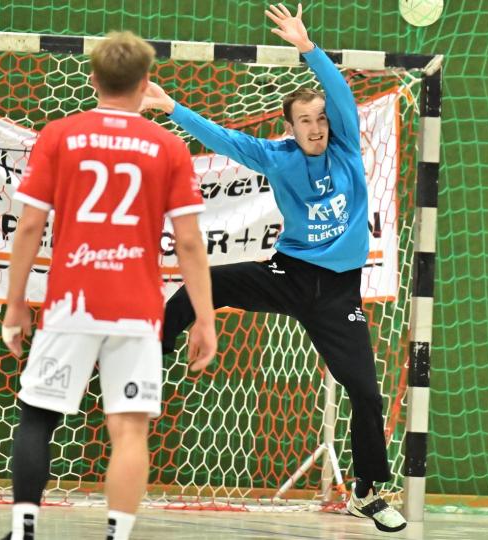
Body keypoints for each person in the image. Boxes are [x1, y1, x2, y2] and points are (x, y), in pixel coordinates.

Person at [139, 3, 406, 533]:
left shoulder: (347, 147)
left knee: (366, 392)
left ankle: (369, 492)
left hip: (337, 295)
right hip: (288, 276)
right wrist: (172, 107)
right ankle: (149, 359)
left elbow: (341, 96)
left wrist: (308, 47)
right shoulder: (278, 156)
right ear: (290, 127)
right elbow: (224, 139)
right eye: (304, 120)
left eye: (320, 118)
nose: (315, 127)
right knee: (203, 284)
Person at [0, 31, 217, 540]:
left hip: (72, 302)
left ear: (94, 79)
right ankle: (117, 536)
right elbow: (189, 242)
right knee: (130, 428)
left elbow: (29, 227)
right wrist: (204, 317)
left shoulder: (59, 135)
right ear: (145, 83)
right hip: (137, 310)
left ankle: (24, 530)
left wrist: (15, 304)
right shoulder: (167, 146)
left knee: (38, 414)